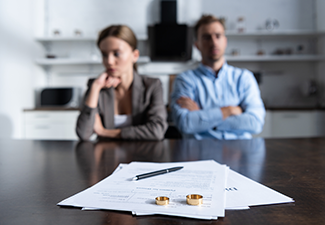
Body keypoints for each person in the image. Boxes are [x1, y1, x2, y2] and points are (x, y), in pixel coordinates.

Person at [170, 15, 265, 139]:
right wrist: (228, 111)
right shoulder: (184, 80)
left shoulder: (244, 78)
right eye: (206, 37)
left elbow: (255, 123)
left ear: (225, 41)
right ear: (197, 45)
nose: (213, 42)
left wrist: (201, 117)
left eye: (218, 36)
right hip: (199, 153)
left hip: (240, 152)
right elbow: (186, 123)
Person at [76, 25, 167, 141]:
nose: (109, 61)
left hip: (142, 155)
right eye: (104, 54)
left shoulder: (152, 86)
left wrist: (105, 132)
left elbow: (157, 131)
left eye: (116, 54)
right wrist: (95, 87)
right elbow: (83, 133)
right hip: (107, 156)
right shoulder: (97, 86)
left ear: (135, 55)